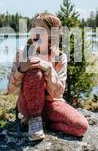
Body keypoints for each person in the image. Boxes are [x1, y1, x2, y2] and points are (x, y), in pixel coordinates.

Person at [7, 12, 89, 141]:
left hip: (51, 104)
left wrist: (49, 69)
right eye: (33, 26)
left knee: (81, 127)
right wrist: (21, 70)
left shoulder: (60, 58)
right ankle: (34, 120)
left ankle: (43, 122)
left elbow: (58, 94)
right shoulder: (22, 53)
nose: (35, 31)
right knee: (35, 73)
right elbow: (11, 91)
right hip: (28, 105)